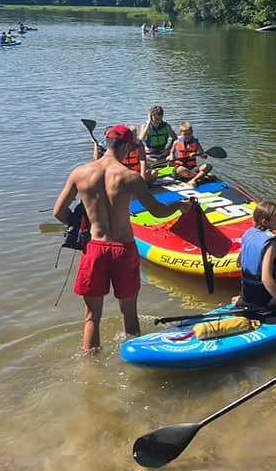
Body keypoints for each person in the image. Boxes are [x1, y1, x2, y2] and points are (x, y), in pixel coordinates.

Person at [53, 125, 191, 351]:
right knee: (129, 313)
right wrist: (178, 206)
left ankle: (91, 369)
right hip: (123, 249)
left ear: (106, 144)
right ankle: (137, 362)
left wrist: (80, 225)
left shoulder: (80, 173)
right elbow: (157, 211)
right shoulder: (131, 177)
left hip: (94, 247)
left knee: (91, 318)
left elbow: (58, 211)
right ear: (127, 146)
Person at [234, 201, 276, 309]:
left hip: (246, 294)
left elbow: (239, 263)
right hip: (263, 298)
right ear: (265, 222)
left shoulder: (248, 233)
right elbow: (266, 278)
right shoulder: (270, 243)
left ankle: (244, 300)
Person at [167, 122, 213, 187]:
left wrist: (197, 154)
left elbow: (204, 157)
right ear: (180, 133)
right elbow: (171, 152)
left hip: (192, 168)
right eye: (185, 134)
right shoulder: (176, 142)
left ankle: (193, 180)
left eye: (189, 134)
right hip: (180, 168)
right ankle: (202, 177)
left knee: (208, 166)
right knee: (181, 169)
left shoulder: (196, 143)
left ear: (192, 133)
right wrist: (171, 158)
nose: (187, 136)